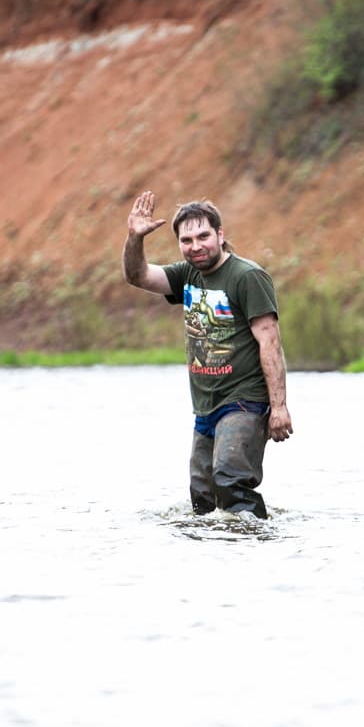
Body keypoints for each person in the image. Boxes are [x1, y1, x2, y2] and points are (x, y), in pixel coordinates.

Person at [122, 191, 293, 518]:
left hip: (245, 400)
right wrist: (134, 238)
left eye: (203, 236)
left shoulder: (247, 277)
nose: (196, 245)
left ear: (220, 235)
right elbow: (137, 275)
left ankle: (256, 549)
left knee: (231, 480)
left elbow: (269, 341)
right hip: (205, 405)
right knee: (203, 498)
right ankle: (214, 559)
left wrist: (279, 407)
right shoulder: (186, 275)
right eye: (186, 240)